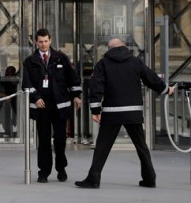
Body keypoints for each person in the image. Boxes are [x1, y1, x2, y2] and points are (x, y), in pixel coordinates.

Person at [75, 38, 175, 189]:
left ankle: (93, 179)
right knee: (141, 146)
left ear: (109, 49)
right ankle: (150, 178)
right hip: (133, 112)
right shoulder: (135, 61)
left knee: (102, 146)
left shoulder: (103, 64)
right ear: (123, 47)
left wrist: (95, 110)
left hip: (112, 112)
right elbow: (151, 78)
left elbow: (96, 87)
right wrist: (167, 89)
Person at [21, 28, 82, 183]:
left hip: (60, 106)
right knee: (44, 141)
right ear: (36, 42)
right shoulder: (30, 61)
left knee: (60, 139)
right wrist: (36, 98)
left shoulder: (61, 58)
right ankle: (44, 172)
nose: (43, 44)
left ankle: (61, 169)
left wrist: (76, 96)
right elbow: (26, 83)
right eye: (40, 42)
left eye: (46, 41)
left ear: (50, 41)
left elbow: (73, 78)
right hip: (42, 108)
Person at [0, 65, 18, 137]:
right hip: (0, 105)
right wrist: (6, 97)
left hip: (12, 104)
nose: (9, 75)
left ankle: (10, 130)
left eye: (11, 74)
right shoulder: (1, 81)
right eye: (8, 73)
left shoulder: (16, 81)